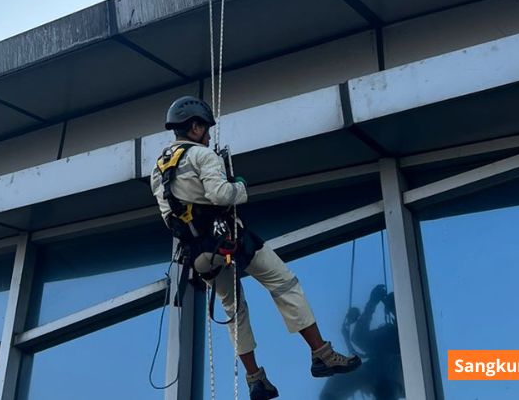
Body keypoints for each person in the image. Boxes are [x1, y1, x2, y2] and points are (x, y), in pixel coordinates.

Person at [150, 96, 361, 400]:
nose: (208, 136)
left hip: (199, 255)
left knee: (234, 310)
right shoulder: (202, 156)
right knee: (283, 282)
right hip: (230, 239)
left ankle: (255, 379)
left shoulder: (159, 170)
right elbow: (222, 195)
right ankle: (322, 354)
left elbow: (170, 218)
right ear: (194, 127)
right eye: (206, 129)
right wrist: (240, 185)